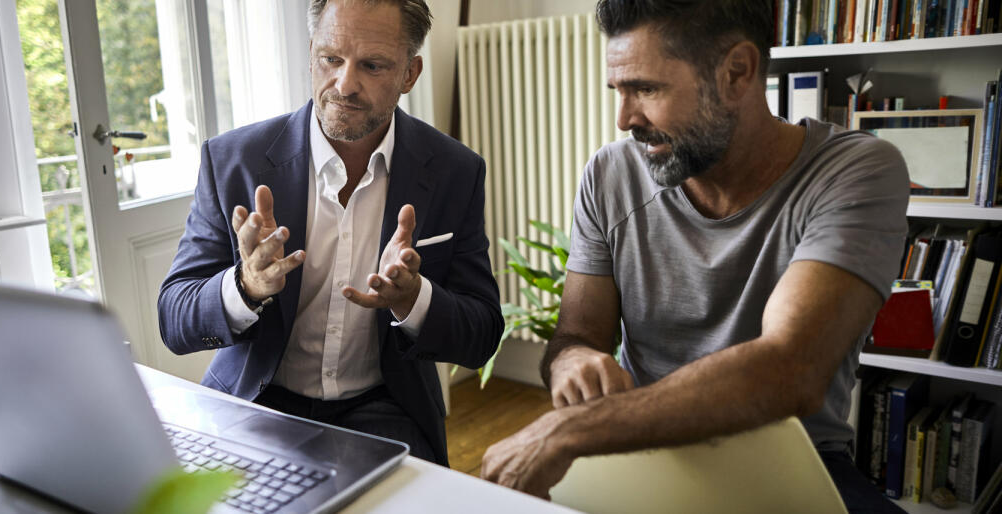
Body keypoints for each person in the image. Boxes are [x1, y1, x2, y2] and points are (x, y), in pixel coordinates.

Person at [480, 1, 909, 512]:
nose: (624, 119)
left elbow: (789, 368)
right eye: (618, 91)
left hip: (791, 460)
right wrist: (573, 360)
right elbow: (578, 334)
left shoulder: (856, 170)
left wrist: (569, 429)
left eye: (646, 89)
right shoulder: (610, 174)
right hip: (635, 447)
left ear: (736, 72)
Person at [158, 0, 502, 466]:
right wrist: (246, 287)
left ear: (410, 74)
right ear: (310, 52)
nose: (344, 84)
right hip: (258, 402)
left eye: (372, 65)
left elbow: (481, 335)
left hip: (388, 408)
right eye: (330, 59)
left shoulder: (456, 171)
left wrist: (413, 298)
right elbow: (175, 319)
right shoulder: (233, 161)